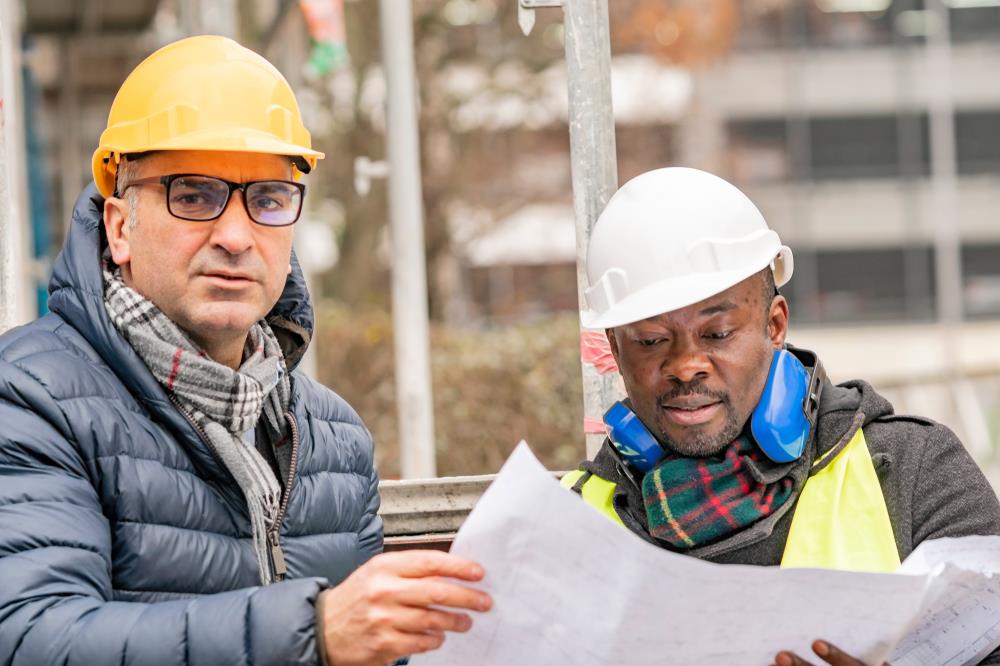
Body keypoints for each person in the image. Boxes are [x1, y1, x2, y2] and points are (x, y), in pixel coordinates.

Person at [0, 36, 490, 666]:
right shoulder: (29, 398)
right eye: (194, 195)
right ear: (121, 227)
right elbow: (33, 638)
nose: (236, 235)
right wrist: (310, 633)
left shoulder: (334, 438)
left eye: (267, 200)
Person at [563, 167, 1000, 665]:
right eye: (650, 341)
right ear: (616, 354)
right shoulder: (566, 524)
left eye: (718, 332)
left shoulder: (914, 474)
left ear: (774, 326)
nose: (686, 366)